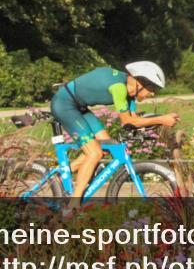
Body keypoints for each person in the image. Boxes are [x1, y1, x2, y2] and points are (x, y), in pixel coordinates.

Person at [51, 62, 179, 214]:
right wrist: (161, 119)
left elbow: (132, 120)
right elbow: (128, 121)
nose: (152, 94)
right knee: (94, 153)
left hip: (79, 107)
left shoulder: (129, 94)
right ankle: (73, 205)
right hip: (64, 104)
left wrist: (156, 120)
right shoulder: (119, 88)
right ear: (140, 83)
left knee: (105, 147)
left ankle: (60, 175)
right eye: (152, 89)